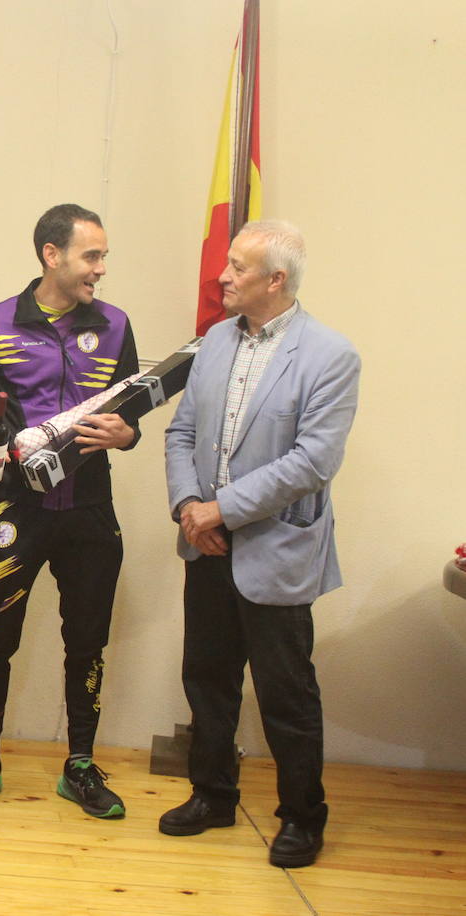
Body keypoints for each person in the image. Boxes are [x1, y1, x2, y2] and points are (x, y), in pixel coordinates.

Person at [161, 220, 359, 869]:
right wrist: (192, 508)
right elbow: (181, 434)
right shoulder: (215, 341)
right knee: (208, 680)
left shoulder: (332, 357)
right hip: (207, 546)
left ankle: (303, 816)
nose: (224, 277)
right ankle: (212, 795)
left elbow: (311, 462)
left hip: (275, 552)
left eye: (239, 268)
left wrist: (223, 509)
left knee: (286, 694)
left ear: (276, 279)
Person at [0, 203, 139, 818]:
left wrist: (124, 437)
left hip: (89, 510)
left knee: (88, 642)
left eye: (103, 256)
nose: (101, 269)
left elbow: (132, 416)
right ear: (52, 256)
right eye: (92, 256)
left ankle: (80, 766)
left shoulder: (115, 325)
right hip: (17, 509)